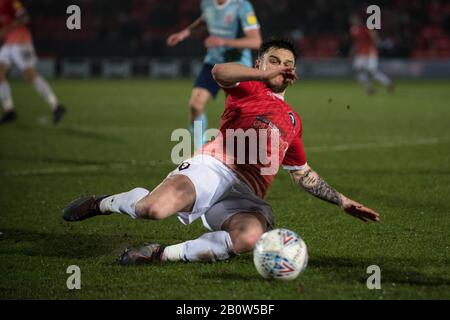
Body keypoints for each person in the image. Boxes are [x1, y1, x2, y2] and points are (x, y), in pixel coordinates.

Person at [62, 39, 380, 264]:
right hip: (213, 168)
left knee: (248, 238)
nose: (282, 68)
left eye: (288, 64)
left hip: (246, 195)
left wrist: (342, 201)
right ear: (259, 64)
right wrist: (262, 75)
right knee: (153, 210)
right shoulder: (250, 86)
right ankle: (102, 203)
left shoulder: (294, 121)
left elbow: (302, 174)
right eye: (274, 61)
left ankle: (159, 254)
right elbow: (218, 72)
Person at [166, 0, 261, 148]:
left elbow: (255, 41)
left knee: (236, 117)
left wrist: (223, 41)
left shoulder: (242, 6)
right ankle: (200, 149)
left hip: (237, 66)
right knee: (195, 106)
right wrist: (185, 33)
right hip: (212, 63)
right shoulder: (207, 3)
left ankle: (239, 157)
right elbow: (205, 19)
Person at [0, 0, 66, 124]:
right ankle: (9, 110)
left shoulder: (10, 1)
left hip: (21, 42)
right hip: (8, 44)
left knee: (30, 76)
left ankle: (56, 106)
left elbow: (24, 18)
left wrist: (6, 30)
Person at [349, 13, 394, 95]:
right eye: (352, 20)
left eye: (355, 19)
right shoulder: (354, 30)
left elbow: (374, 35)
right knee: (358, 72)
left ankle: (388, 83)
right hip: (361, 54)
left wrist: (376, 41)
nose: (354, 21)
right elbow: (356, 43)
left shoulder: (365, 28)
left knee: (372, 72)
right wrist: (352, 53)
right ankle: (369, 88)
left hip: (370, 52)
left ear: (359, 20)